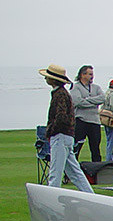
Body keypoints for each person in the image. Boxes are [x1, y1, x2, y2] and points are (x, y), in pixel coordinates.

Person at [39, 63, 93, 193]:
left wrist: (51, 130)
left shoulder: (60, 94)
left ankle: (51, 197)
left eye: (48, 77)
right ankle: (90, 195)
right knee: (74, 172)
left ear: (53, 79)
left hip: (60, 136)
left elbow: (61, 117)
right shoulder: (61, 93)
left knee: (55, 171)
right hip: (67, 136)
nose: (45, 79)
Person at [71, 65, 105, 161]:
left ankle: (97, 173)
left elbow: (102, 98)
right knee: (76, 148)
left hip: (94, 122)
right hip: (81, 121)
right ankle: (71, 173)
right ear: (83, 75)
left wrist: (88, 100)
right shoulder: (75, 87)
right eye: (90, 74)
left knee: (96, 150)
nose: (92, 76)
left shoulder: (96, 87)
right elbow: (78, 102)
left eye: (92, 74)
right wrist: (94, 102)